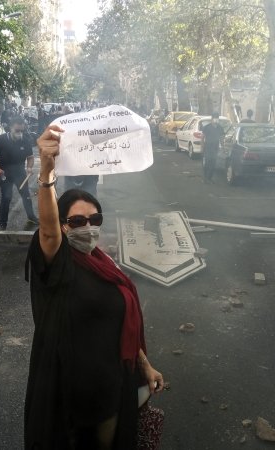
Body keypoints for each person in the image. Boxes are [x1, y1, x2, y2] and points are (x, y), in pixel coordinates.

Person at [24, 125, 164, 450]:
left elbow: (119, 322)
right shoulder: (57, 261)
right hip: (68, 392)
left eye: (94, 220)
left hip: (110, 388)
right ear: (63, 225)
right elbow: (47, 232)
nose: (87, 227)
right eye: (77, 221)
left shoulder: (102, 261)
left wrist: (145, 365)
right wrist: (46, 174)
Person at [0, 116, 39, 230]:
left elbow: (30, 157)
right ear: (10, 128)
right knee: (6, 197)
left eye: (21, 131)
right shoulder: (1, 139)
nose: (20, 133)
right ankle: (3, 223)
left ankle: (31, 217)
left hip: (20, 172)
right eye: (17, 130)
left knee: (26, 195)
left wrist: (29, 167)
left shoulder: (25, 140)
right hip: (4, 173)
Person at [201, 111, 225, 183]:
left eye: (217, 118)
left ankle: (210, 178)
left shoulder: (220, 128)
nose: (216, 119)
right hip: (207, 148)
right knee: (207, 163)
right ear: (212, 119)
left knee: (213, 164)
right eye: (215, 118)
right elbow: (202, 138)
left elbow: (221, 138)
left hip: (215, 148)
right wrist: (202, 147)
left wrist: (223, 147)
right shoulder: (207, 127)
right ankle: (205, 178)